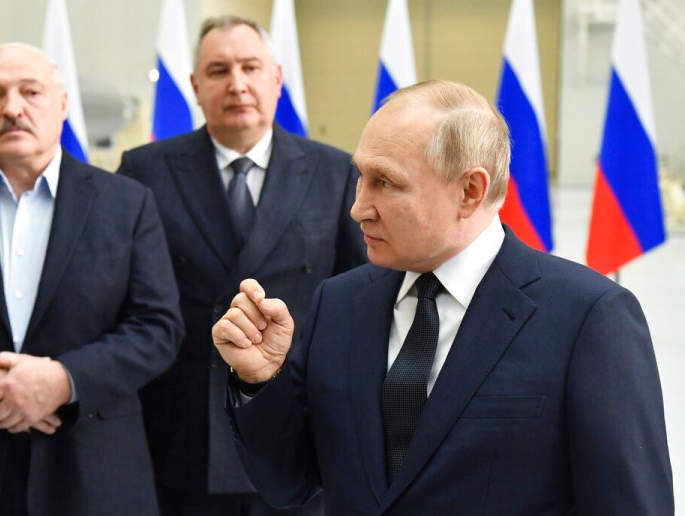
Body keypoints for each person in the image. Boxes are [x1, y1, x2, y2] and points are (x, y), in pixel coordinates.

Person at [213, 80, 675, 515]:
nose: (357, 208)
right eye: (360, 177)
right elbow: (288, 484)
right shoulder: (338, 303)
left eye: (385, 182)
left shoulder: (587, 318)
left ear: (470, 192)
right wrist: (259, 381)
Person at [0, 43, 183, 516]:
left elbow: (158, 327)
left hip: (93, 475)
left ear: (63, 104)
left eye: (30, 92)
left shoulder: (126, 203)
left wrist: (63, 380)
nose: (12, 108)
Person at [117, 14, 366, 516]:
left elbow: (358, 297)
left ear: (276, 78)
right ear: (194, 86)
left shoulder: (335, 171)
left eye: (251, 67)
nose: (237, 84)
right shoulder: (143, 170)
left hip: (293, 420)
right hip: (179, 426)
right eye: (218, 70)